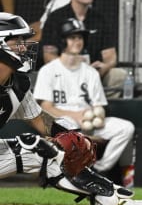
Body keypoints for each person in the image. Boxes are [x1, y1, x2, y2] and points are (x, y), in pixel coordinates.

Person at [0, 12, 142, 205]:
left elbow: (40, 120)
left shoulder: (17, 84)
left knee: (48, 151)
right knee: (34, 146)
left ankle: (107, 197)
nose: (24, 46)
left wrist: (70, 135)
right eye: (17, 41)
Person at [34, 18, 136, 179]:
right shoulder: (48, 70)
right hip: (64, 123)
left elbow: (99, 105)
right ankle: (68, 171)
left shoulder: (90, 72)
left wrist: (99, 116)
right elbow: (46, 108)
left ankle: (99, 169)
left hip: (88, 123)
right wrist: (77, 116)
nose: (77, 41)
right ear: (63, 41)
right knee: (65, 123)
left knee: (126, 127)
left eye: (80, 37)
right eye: (72, 37)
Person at [41, 0, 125, 93]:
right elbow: (48, 56)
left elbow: (110, 57)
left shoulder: (100, 19)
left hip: (94, 73)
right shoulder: (56, 18)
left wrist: (103, 67)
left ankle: (103, 108)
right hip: (65, 72)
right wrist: (71, 68)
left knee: (119, 75)